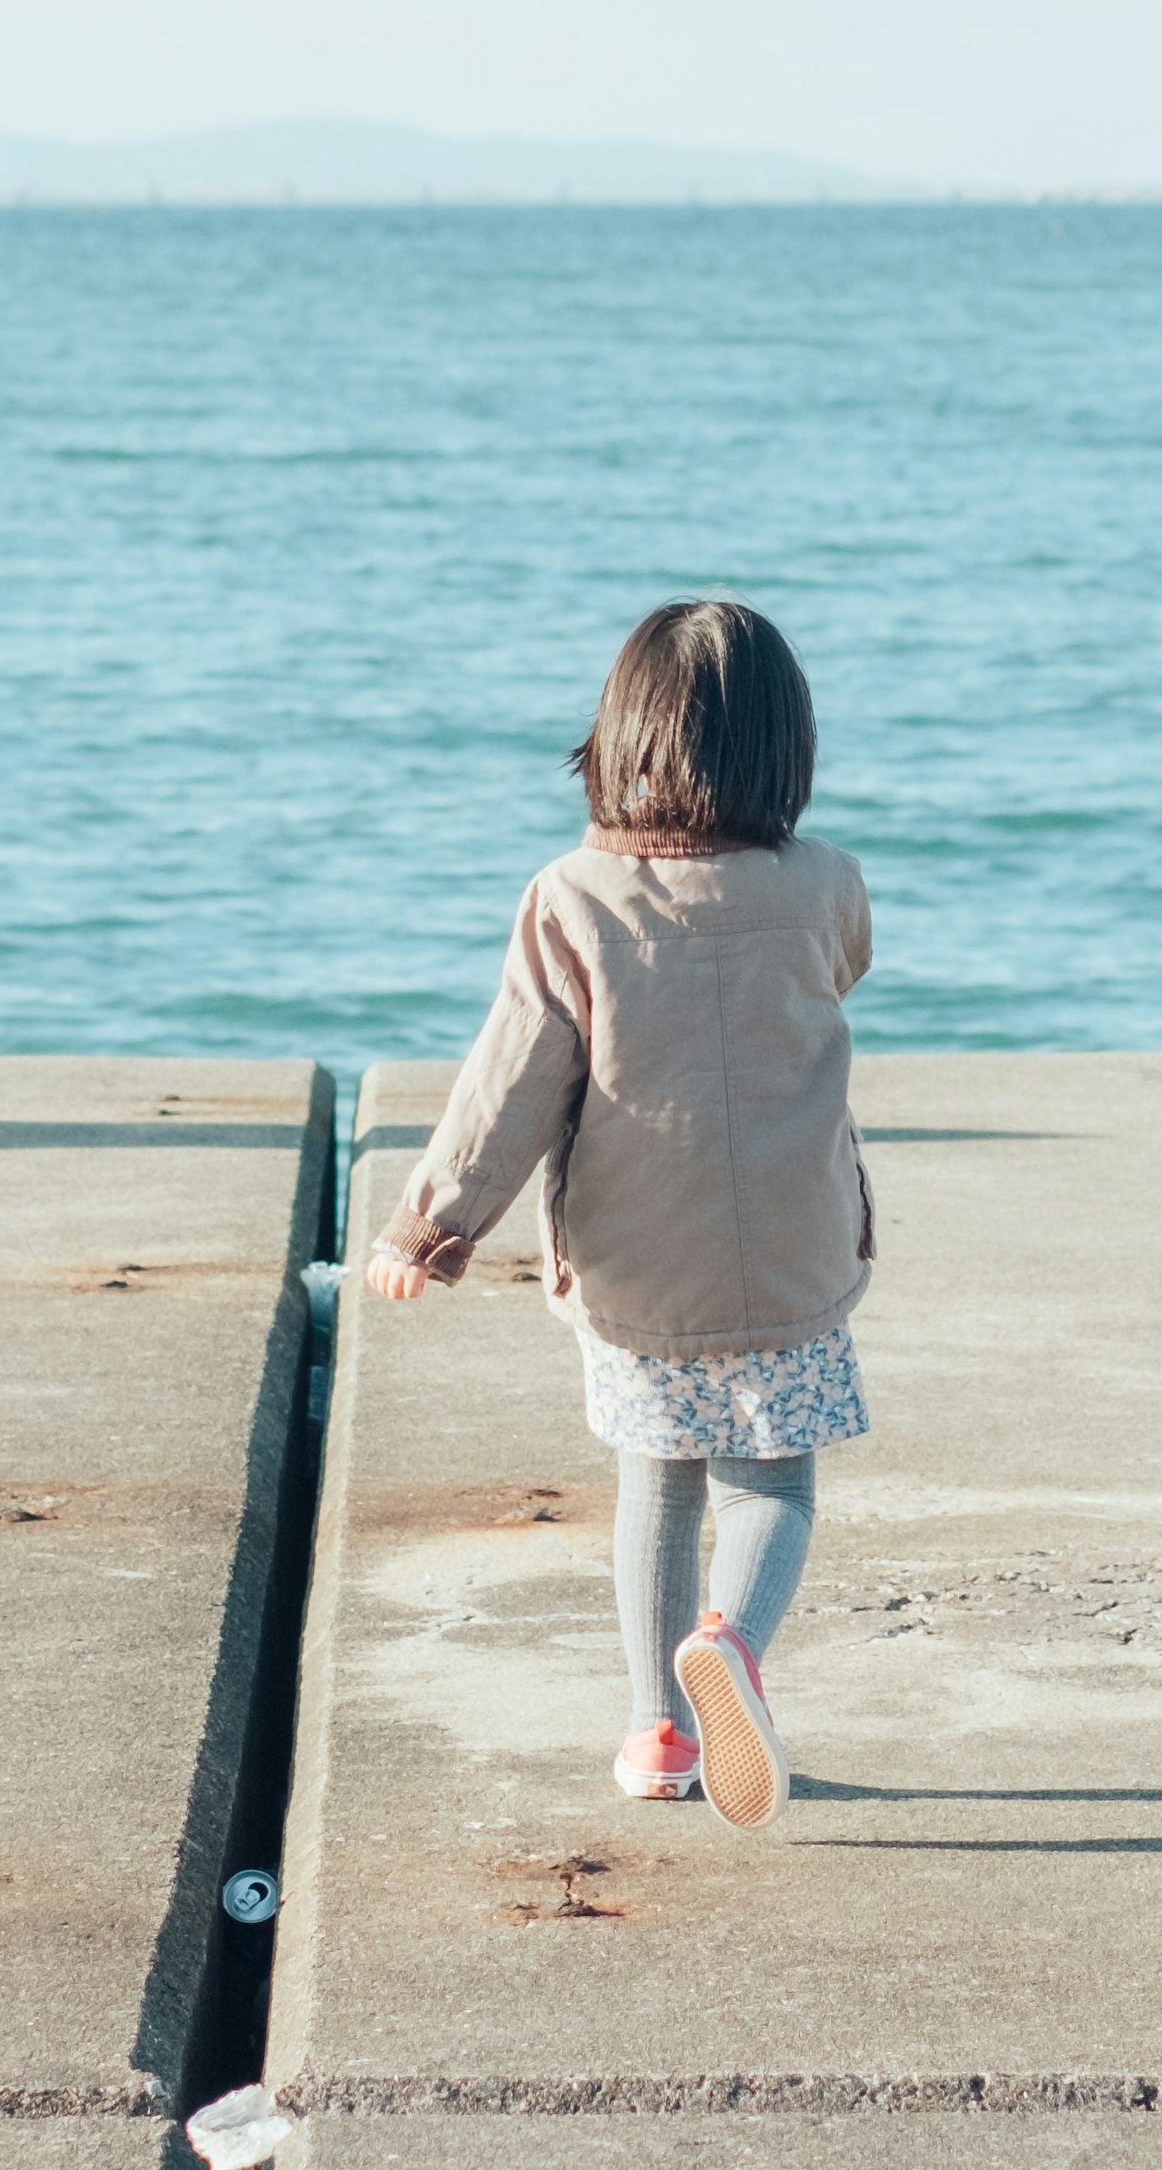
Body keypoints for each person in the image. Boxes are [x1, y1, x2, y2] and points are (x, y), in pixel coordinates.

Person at [364, 597, 871, 1828]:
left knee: (660, 1486)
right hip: (792, 1261)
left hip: (636, 1272)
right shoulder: (824, 886)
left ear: (620, 739)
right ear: (782, 751)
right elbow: (846, 967)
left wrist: (431, 1225)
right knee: (773, 1491)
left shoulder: (572, 898)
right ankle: (734, 1651)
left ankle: (659, 1730)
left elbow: (513, 1081)